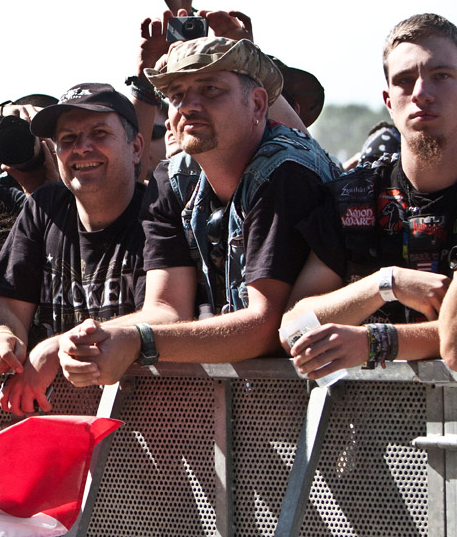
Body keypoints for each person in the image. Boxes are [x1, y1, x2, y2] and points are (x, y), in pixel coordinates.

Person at [57, 37, 340, 387]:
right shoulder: (172, 178)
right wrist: (74, 341)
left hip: (341, 397)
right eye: (176, 94)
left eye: (210, 89)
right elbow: (166, 310)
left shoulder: (287, 172)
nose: (188, 106)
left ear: (256, 103)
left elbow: (265, 328)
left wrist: (138, 342)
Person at [283, 14, 457, 378]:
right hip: (368, 425)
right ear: (389, 101)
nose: (422, 92)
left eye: (442, 75)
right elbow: (292, 326)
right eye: (405, 81)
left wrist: (373, 341)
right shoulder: (354, 197)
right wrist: (384, 284)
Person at [0, 83, 148, 416]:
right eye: (67, 139)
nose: (82, 148)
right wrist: (0, 338)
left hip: (153, 423)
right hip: (61, 423)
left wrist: (55, 348)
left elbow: (164, 316)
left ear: (136, 147)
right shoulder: (44, 208)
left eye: (99, 133)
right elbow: (9, 308)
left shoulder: (157, 210)